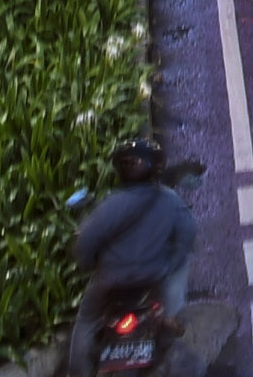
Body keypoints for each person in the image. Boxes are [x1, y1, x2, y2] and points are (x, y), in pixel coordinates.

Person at [74, 136, 195, 333]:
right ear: (156, 167)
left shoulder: (110, 204)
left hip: (110, 279)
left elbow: (86, 241)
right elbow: (187, 236)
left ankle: (80, 363)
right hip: (155, 275)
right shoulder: (170, 201)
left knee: (86, 318)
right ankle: (172, 315)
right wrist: (171, 262)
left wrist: (89, 265)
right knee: (182, 264)